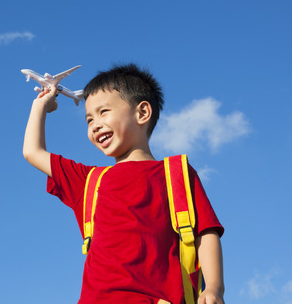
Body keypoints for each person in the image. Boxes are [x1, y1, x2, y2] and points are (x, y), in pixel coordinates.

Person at [23, 63, 225, 304]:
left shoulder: (176, 174)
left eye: (103, 112)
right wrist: (41, 105)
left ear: (142, 113)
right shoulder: (90, 181)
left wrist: (214, 288)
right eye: (89, 119)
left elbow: (205, 232)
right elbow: (33, 152)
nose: (94, 124)